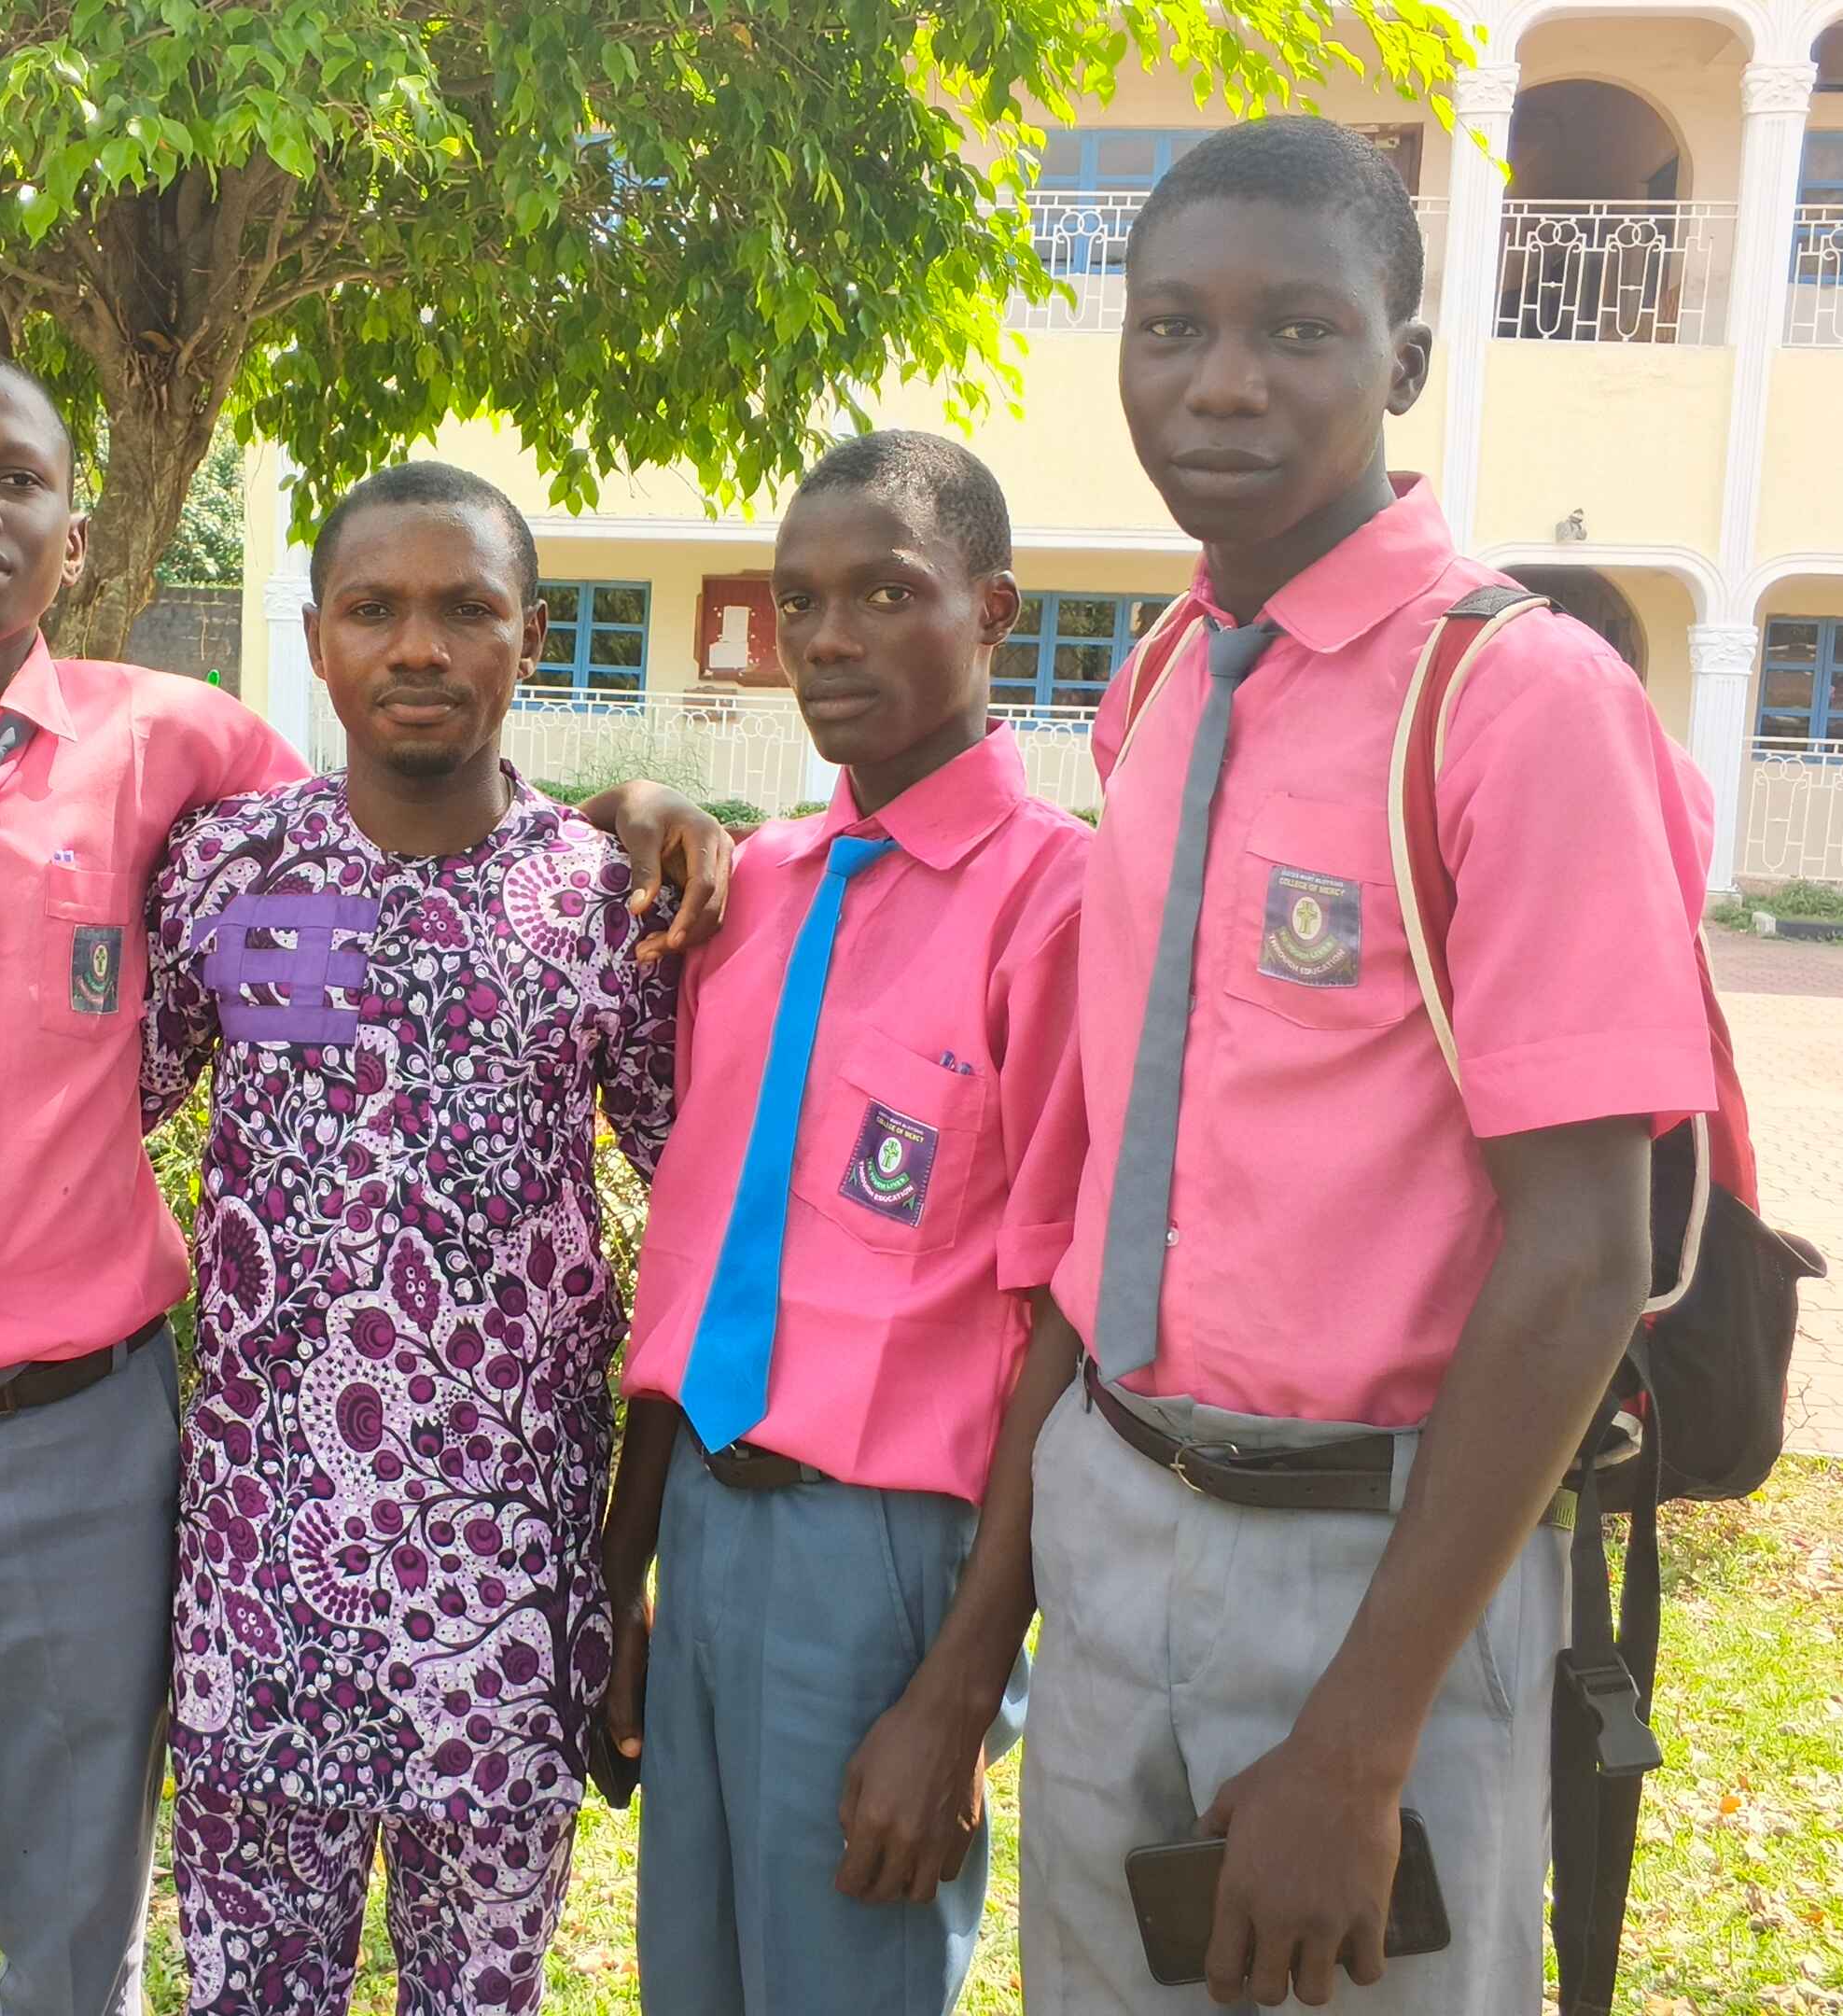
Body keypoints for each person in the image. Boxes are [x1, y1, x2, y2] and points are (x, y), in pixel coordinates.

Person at [0, 346, 737, 2016]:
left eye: (15, 480)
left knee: (87, 1937)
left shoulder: (192, 761)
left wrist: (627, 808)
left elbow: (439, 832)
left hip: (143, 1469)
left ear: (79, 529)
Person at [1021, 115, 1720, 2012]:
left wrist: (1358, 1736)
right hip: (1120, 1511)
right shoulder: (1166, 675)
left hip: (1378, 1560)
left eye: (1298, 330)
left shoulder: (1515, 697)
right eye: (1174, 326)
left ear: (1402, 364)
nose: (1223, 381)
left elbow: (1582, 1252)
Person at [137, 462, 681, 2016]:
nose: (420, 647)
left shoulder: (606, 903)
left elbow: (704, 1212)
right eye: (374, 609)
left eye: (467, 610)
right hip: (259, 1583)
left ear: (532, 637)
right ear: (317, 639)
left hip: (504, 1602)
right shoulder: (228, 871)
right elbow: (91, 1107)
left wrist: (628, 1560)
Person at [600, 428, 1094, 2014]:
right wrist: (622, 1578)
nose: (827, 638)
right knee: (693, 1981)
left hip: (887, 1557)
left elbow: (1067, 1320)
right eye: (798, 601)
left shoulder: (1059, 903)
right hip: (705, 1519)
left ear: (992, 611)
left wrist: (958, 1693)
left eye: (886, 593)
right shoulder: (751, 888)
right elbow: (702, 1258)